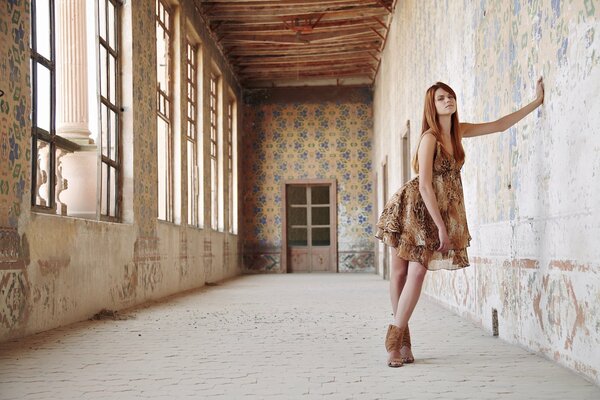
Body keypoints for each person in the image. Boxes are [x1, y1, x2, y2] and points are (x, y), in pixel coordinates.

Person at [375, 78, 545, 367]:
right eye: (441, 98)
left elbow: (499, 125)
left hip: (440, 209)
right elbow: (426, 185)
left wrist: (536, 101)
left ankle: (399, 338)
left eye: (450, 97)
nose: (448, 101)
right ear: (432, 105)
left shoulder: (458, 132)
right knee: (404, 274)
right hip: (415, 208)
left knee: (415, 273)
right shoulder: (429, 138)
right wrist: (442, 227)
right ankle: (397, 342)